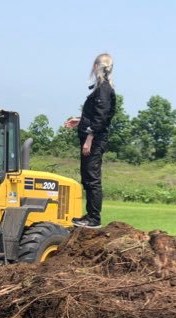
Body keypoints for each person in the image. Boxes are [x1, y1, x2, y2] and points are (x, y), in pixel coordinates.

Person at [65, 53, 116, 229]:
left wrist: (89, 138)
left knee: (92, 178)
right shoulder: (102, 87)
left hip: (95, 140)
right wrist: (80, 120)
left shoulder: (103, 88)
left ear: (96, 67)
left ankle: (94, 218)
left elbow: (101, 118)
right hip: (93, 136)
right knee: (87, 177)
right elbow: (97, 115)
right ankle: (91, 215)